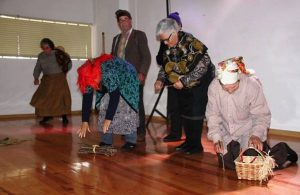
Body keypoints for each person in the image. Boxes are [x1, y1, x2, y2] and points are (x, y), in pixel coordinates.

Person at [206, 57, 298, 169]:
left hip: (248, 132)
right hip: (228, 133)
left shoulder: (251, 85)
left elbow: (261, 115)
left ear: (239, 78)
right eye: (226, 89)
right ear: (219, 81)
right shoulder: (214, 88)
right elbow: (212, 116)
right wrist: (217, 139)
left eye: (234, 87)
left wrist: (256, 135)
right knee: (227, 164)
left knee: (252, 163)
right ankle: (251, 151)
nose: (230, 91)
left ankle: (283, 151)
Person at [154, 18, 215, 154]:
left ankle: (196, 145)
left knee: (195, 112)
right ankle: (188, 142)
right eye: (163, 40)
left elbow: (203, 65)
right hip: (182, 83)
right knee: (184, 111)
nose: (165, 43)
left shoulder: (191, 42)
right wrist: (160, 80)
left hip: (200, 82)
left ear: (174, 32)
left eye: (166, 39)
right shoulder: (169, 44)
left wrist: (184, 82)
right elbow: (166, 66)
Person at [77, 54, 140, 151]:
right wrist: (84, 121)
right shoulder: (87, 74)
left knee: (126, 108)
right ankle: (106, 141)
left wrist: (109, 118)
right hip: (109, 80)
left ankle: (131, 141)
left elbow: (115, 97)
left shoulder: (107, 71)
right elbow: (87, 98)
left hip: (127, 76)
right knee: (104, 107)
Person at [111, 9, 151, 142]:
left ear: (130, 21)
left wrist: (142, 72)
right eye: (120, 21)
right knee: (123, 104)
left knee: (136, 103)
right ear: (118, 24)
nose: (123, 22)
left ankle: (140, 131)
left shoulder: (139, 35)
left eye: (125, 19)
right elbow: (113, 58)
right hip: (120, 78)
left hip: (135, 76)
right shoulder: (116, 39)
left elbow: (146, 56)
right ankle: (127, 129)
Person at [156, 12, 184, 142]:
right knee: (173, 107)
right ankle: (175, 134)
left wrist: (184, 80)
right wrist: (160, 79)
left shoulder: (186, 40)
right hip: (171, 80)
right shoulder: (165, 42)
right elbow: (161, 61)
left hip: (185, 81)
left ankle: (189, 139)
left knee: (186, 108)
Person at [30, 38, 72, 125]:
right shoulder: (41, 56)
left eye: (47, 48)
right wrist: (36, 77)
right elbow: (38, 68)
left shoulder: (59, 54)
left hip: (59, 79)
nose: (45, 50)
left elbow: (68, 63)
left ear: (51, 46)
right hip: (47, 80)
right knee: (45, 99)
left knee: (61, 98)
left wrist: (64, 71)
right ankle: (47, 116)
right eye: (43, 48)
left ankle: (64, 117)